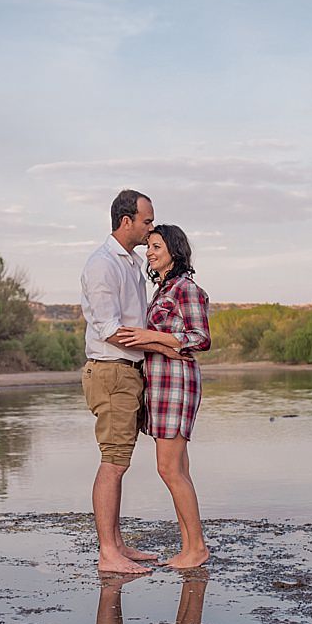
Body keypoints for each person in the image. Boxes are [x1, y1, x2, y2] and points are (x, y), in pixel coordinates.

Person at [80, 190, 190, 574]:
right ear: (126, 221)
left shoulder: (129, 263)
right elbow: (109, 328)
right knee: (112, 462)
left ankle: (117, 544)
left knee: (119, 461)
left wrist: (156, 344)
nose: (150, 228)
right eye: (146, 221)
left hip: (128, 374)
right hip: (111, 372)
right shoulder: (102, 265)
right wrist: (155, 341)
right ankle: (108, 554)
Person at [116, 224, 211, 569]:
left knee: (169, 468)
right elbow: (161, 340)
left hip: (177, 383)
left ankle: (197, 548)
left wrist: (149, 336)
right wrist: (155, 341)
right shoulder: (163, 289)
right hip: (161, 383)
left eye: (157, 246)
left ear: (174, 250)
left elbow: (200, 339)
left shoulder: (186, 288)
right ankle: (190, 547)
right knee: (178, 468)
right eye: (149, 247)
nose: (150, 251)